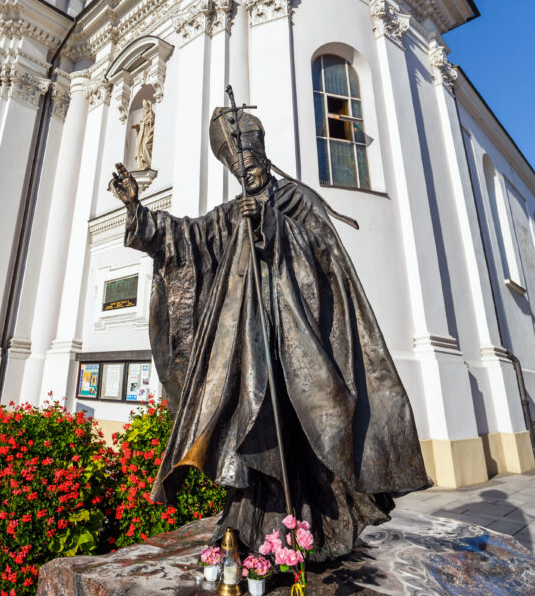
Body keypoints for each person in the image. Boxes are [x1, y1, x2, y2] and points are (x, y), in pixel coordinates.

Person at [110, 107, 430, 556]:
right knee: (250, 429)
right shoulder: (229, 214)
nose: (247, 171)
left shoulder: (297, 200)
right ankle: (254, 525)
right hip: (251, 352)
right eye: (237, 167)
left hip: (299, 347)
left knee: (305, 432)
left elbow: (326, 257)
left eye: (251, 161)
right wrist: (135, 208)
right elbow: (185, 239)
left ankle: (316, 530)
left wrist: (272, 225)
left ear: (262, 155)